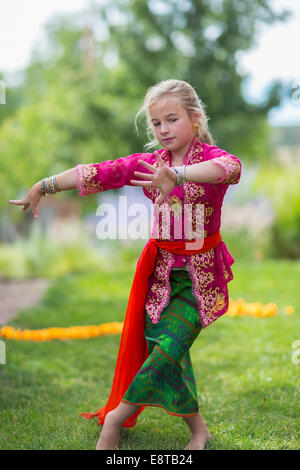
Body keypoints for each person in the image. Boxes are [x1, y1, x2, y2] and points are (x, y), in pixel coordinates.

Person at [9, 79, 242, 451]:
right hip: (160, 279)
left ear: (195, 119)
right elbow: (98, 173)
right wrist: (45, 184)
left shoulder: (214, 158)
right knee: (170, 356)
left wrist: (178, 175)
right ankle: (199, 431)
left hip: (200, 282)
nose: (163, 130)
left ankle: (114, 421)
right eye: (156, 123)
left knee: (167, 350)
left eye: (172, 120)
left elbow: (228, 169)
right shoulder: (148, 164)